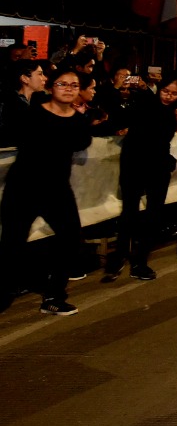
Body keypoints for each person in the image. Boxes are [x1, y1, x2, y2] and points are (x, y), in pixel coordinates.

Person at [0, 67, 93, 315]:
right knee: (12, 243)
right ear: (51, 87)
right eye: (62, 84)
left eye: (74, 85)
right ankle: (3, 293)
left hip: (56, 190)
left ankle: (54, 295)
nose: (68, 89)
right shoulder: (31, 114)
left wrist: (80, 117)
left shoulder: (79, 121)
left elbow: (81, 142)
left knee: (72, 239)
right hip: (23, 187)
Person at [103, 71, 177, 282]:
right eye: (166, 91)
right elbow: (119, 118)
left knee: (153, 214)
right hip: (135, 163)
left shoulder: (172, 112)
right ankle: (121, 255)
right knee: (129, 211)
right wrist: (115, 90)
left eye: (173, 93)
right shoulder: (145, 102)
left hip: (158, 167)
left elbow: (163, 141)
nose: (168, 96)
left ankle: (140, 260)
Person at [0, 59, 49, 147]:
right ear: (25, 78)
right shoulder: (8, 104)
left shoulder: (39, 100)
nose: (45, 78)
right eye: (40, 74)